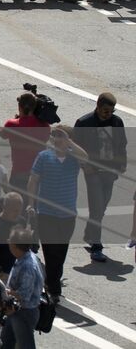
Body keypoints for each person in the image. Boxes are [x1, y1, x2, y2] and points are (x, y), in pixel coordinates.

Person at [26, 125, 87, 298]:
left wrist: (70, 143)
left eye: (61, 136)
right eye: (55, 135)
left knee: (60, 252)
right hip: (46, 213)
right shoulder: (44, 157)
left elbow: (86, 157)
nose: (57, 139)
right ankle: (53, 288)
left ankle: (51, 281)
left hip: (68, 215)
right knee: (50, 251)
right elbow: (33, 181)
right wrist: (31, 203)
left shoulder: (74, 157)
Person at [73, 92, 126, 263]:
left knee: (101, 207)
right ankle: (96, 246)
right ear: (98, 106)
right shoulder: (84, 123)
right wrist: (84, 166)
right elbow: (74, 147)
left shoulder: (117, 122)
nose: (108, 114)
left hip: (109, 171)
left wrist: (121, 164)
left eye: (111, 111)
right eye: (105, 111)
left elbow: (121, 144)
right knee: (96, 207)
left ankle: (90, 234)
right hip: (93, 172)